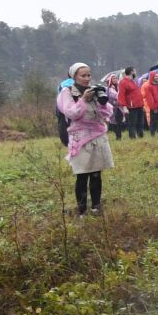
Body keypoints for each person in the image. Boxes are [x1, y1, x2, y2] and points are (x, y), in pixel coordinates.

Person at [56, 64, 118, 216]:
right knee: (82, 175)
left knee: (96, 174)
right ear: (74, 77)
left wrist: (102, 100)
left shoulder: (95, 90)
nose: (86, 79)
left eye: (88, 75)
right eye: (83, 76)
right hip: (80, 138)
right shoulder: (67, 92)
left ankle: (96, 207)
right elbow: (71, 113)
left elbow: (107, 112)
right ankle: (82, 210)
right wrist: (83, 100)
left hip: (98, 137)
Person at [116, 69, 143, 139]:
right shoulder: (123, 82)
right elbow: (121, 95)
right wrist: (124, 107)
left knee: (140, 122)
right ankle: (132, 137)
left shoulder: (134, 81)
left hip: (139, 105)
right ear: (131, 72)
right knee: (132, 124)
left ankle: (140, 136)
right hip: (132, 106)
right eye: (135, 71)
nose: (136, 73)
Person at [142, 67, 158, 137]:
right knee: (153, 122)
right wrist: (154, 108)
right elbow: (149, 99)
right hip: (154, 108)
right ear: (152, 77)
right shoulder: (148, 87)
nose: (157, 77)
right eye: (156, 76)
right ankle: (152, 135)